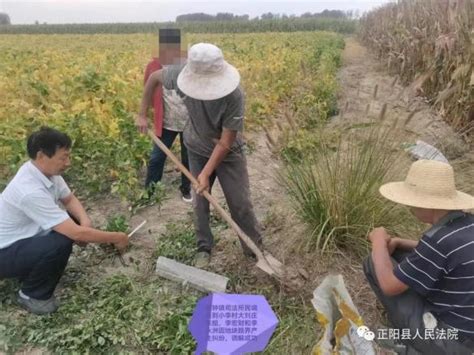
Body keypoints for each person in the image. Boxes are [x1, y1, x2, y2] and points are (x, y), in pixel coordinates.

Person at [137, 42, 262, 268]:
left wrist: (205, 174)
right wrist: (142, 113)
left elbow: (225, 142)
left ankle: (254, 249)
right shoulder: (178, 74)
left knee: (240, 203)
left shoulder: (234, 95)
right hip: (196, 147)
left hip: (228, 153)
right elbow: (154, 77)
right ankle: (203, 245)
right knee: (199, 202)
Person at [0, 127, 128, 315]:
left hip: (22, 240)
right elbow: (75, 234)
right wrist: (117, 236)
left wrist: (85, 223)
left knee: (72, 221)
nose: (68, 163)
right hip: (4, 253)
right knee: (61, 241)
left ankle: (30, 272)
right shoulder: (29, 190)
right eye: (63, 157)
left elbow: (69, 199)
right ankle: (32, 294)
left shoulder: (47, 173)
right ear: (42, 156)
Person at [364, 159, 474, 354]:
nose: (410, 207)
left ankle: (409, 345)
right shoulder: (467, 225)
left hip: (449, 342)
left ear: (428, 205)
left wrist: (378, 241)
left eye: (413, 203)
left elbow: (389, 285)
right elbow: (447, 255)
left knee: (373, 262)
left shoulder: (438, 241)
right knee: (401, 254)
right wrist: (399, 242)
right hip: (468, 332)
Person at [141, 28, 192, 202]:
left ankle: (186, 189)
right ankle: (150, 193)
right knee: (156, 158)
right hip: (166, 122)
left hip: (190, 122)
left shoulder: (189, 65)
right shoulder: (153, 66)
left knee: (189, 158)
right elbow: (147, 91)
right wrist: (142, 115)